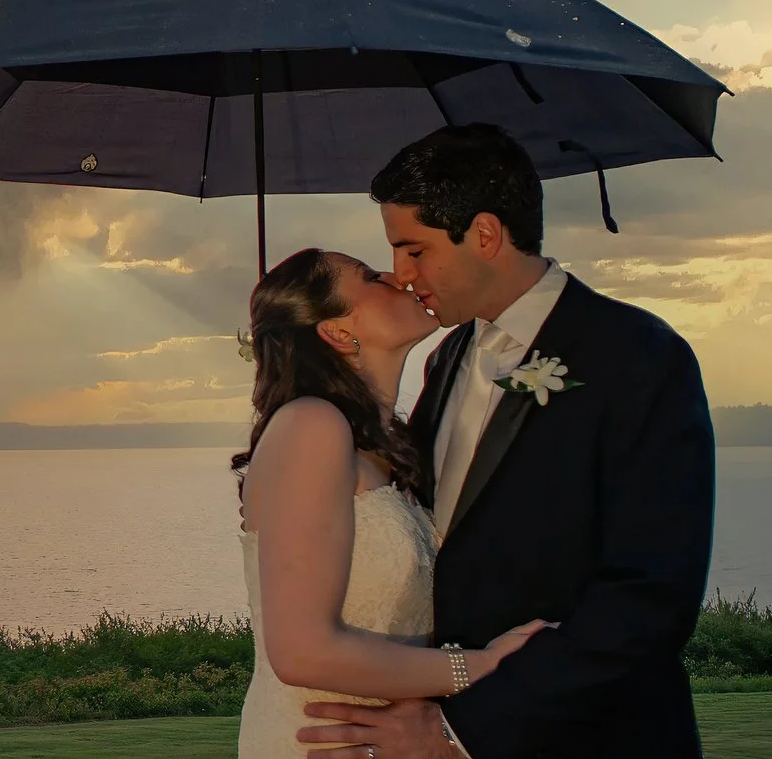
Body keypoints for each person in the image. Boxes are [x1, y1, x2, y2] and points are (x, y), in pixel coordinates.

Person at [297, 123, 716, 759]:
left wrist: (461, 731)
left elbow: (650, 597)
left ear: (486, 235)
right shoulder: (447, 357)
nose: (403, 274)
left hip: (590, 738)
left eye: (414, 249)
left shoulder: (640, 357)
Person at [233, 246, 548, 757]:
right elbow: (300, 652)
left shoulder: (388, 448)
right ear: (337, 331)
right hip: (318, 745)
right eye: (371, 277)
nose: (399, 277)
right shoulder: (310, 425)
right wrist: (482, 666)